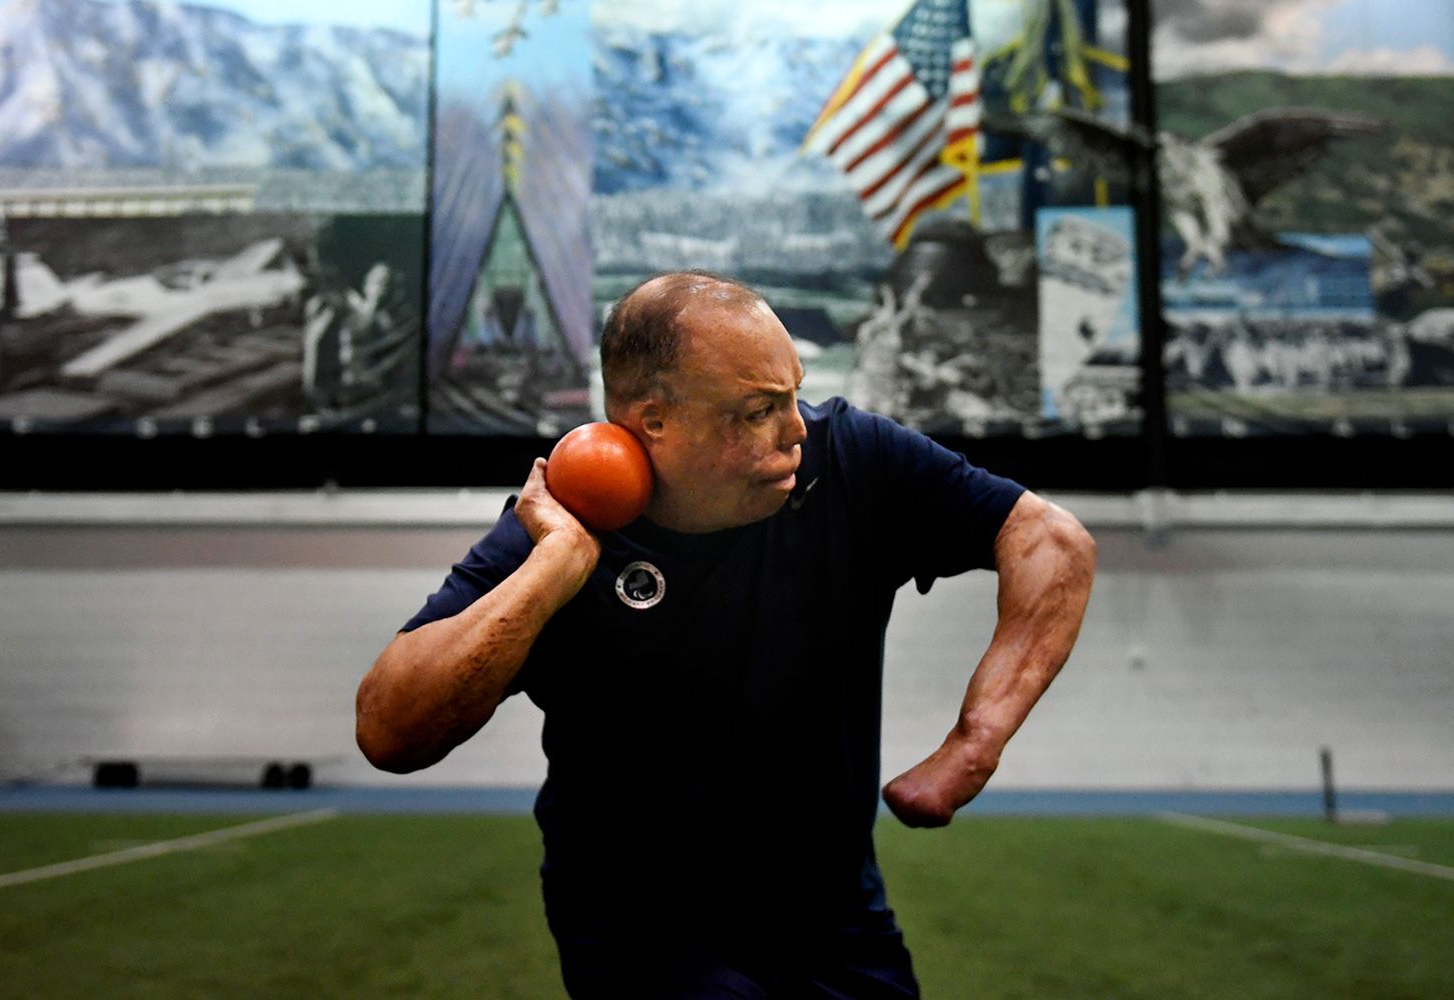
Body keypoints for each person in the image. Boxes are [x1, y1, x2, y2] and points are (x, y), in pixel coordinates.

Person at [356, 271, 1096, 998]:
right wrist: (554, 570)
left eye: (795, 393)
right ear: (654, 423)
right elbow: (390, 730)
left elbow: (1051, 541)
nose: (796, 428)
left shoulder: (849, 462)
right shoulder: (565, 518)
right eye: (759, 409)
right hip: (639, 929)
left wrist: (974, 743)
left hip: (832, 912)